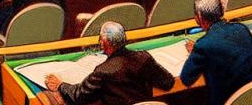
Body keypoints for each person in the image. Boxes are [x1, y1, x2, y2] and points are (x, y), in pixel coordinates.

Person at [43, 21, 175, 105]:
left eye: (100, 39)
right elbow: (168, 82)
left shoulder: (103, 71)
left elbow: (80, 96)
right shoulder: (143, 57)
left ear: (104, 42)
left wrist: (61, 85)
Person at [179, 0, 252, 105]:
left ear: (199, 17)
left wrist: (194, 53)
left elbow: (186, 78)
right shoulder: (242, 29)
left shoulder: (203, 45)